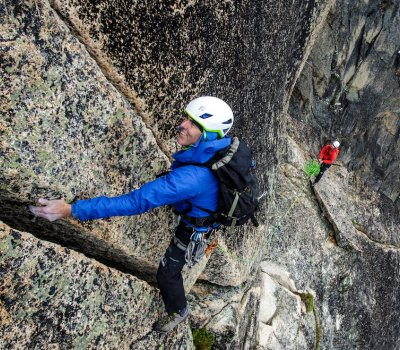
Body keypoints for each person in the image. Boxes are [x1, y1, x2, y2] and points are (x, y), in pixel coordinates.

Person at [29, 96, 234, 333]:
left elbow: (134, 202)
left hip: (194, 225)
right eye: (186, 118)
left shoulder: (188, 180)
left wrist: (70, 209)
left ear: (208, 135)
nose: (182, 124)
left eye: (193, 124)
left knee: (167, 274)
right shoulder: (221, 148)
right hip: (199, 199)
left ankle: (179, 310)